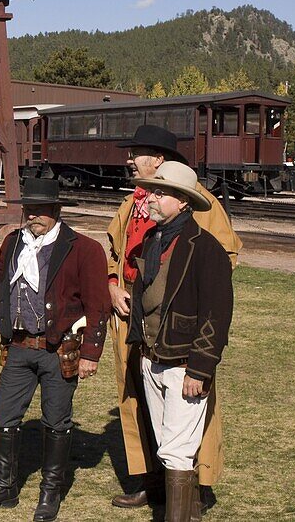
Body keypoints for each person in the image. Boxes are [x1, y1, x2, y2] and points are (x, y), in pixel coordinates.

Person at [106, 125, 241, 511]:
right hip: (138, 330)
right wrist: (114, 285)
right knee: (143, 408)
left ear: (160, 160)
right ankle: (155, 483)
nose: (129, 159)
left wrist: (178, 305)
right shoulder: (134, 203)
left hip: (181, 335)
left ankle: (189, 495)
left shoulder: (201, 208)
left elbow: (218, 269)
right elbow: (116, 253)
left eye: (137, 153)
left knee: (183, 425)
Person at [0, 178, 110, 522]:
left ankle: (50, 492)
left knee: (56, 420)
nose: (34, 217)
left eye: (41, 211)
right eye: (30, 210)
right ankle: (4, 488)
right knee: (2, 416)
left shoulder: (84, 249)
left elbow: (98, 304)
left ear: (56, 211)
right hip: (18, 347)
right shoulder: (13, 243)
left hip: (58, 349)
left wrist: (91, 353)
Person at [128, 161, 233, 522]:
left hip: (185, 364)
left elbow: (216, 316)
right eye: (152, 191)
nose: (152, 198)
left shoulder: (205, 248)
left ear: (183, 201)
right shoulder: (151, 240)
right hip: (151, 359)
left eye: (160, 192)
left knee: (176, 450)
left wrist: (200, 368)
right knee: (167, 445)